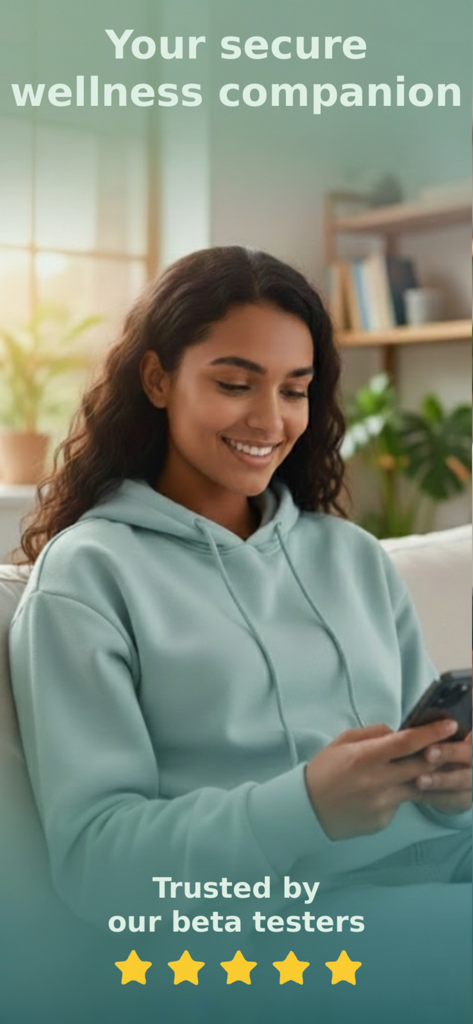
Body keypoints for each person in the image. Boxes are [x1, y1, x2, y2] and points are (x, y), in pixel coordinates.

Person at [8, 246, 471, 932]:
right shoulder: (90, 575)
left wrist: (451, 786)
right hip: (292, 930)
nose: (269, 421)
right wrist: (303, 810)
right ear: (158, 379)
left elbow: (424, 783)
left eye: (293, 390)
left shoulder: (352, 557)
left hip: (442, 881)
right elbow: (97, 863)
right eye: (234, 384)